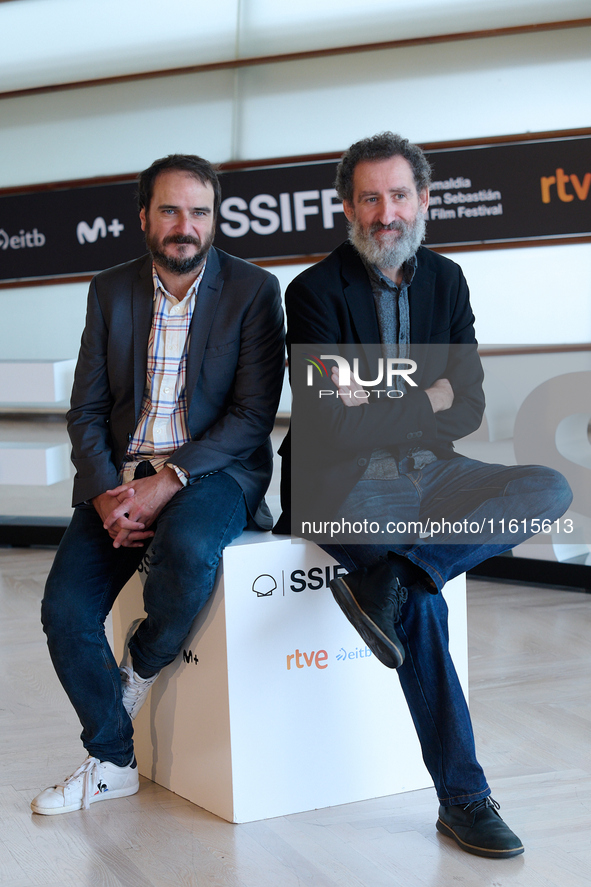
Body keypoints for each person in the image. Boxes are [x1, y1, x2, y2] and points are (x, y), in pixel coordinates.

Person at [275, 132, 572, 859]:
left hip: (431, 471)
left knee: (548, 485)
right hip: (343, 483)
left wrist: (379, 393)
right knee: (429, 608)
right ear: (346, 206)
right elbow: (330, 424)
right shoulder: (313, 292)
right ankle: (463, 798)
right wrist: (422, 390)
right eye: (369, 197)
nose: (386, 212)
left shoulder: (446, 281)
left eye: (399, 195)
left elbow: (467, 406)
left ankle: (402, 575)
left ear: (424, 200)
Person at [32, 154, 285, 816]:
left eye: (199, 211)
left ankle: (140, 663)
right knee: (63, 612)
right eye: (170, 210)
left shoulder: (254, 290)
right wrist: (102, 493)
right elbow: (85, 409)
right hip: (121, 476)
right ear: (143, 216)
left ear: (214, 218)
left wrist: (169, 478)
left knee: (189, 547)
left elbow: (252, 416)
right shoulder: (110, 289)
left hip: (214, 469)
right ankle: (113, 759)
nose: (185, 225)